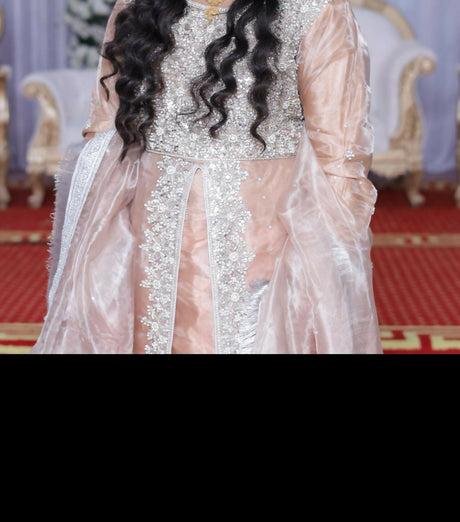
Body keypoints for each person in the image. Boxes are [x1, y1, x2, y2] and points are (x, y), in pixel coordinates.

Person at [31, 0, 383, 354]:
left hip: (264, 233)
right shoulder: (139, 6)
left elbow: (340, 153)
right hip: (152, 233)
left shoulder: (314, 9)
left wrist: (326, 260)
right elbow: (106, 128)